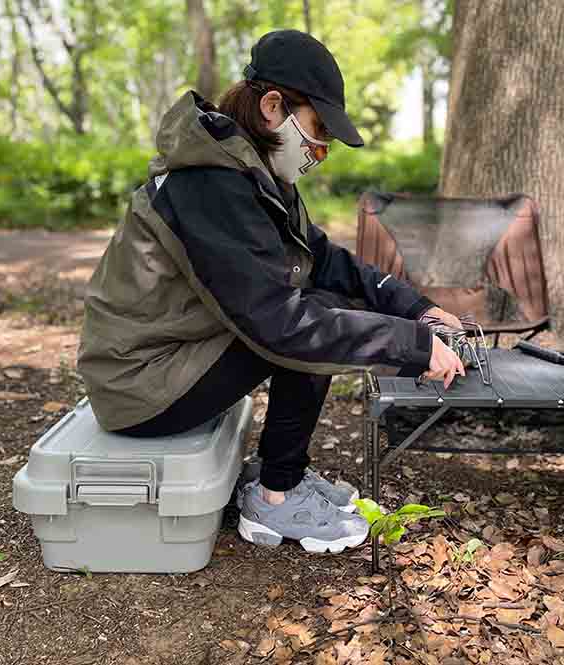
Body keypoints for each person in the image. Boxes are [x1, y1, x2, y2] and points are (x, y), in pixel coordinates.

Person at [77, 30, 465, 554]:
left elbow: (323, 258)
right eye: (319, 129)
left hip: (167, 359)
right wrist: (412, 346)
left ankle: (282, 474)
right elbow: (280, 325)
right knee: (311, 320)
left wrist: (417, 309)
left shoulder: (251, 175)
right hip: (136, 385)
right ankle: (276, 496)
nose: (322, 151)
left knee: (324, 303)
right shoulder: (209, 185)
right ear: (272, 107)